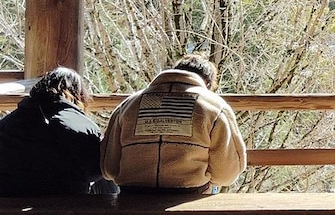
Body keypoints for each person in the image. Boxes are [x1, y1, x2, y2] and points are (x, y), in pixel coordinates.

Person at [101, 53, 246, 193]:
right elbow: (227, 173)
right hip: (190, 197)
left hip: (131, 197)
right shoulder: (214, 107)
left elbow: (109, 168)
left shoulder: (129, 104)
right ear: (207, 83)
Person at [0, 67, 114, 196]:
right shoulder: (80, 125)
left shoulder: (6, 124)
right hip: (65, 205)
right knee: (106, 172)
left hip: (8, 202)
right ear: (78, 95)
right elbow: (95, 168)